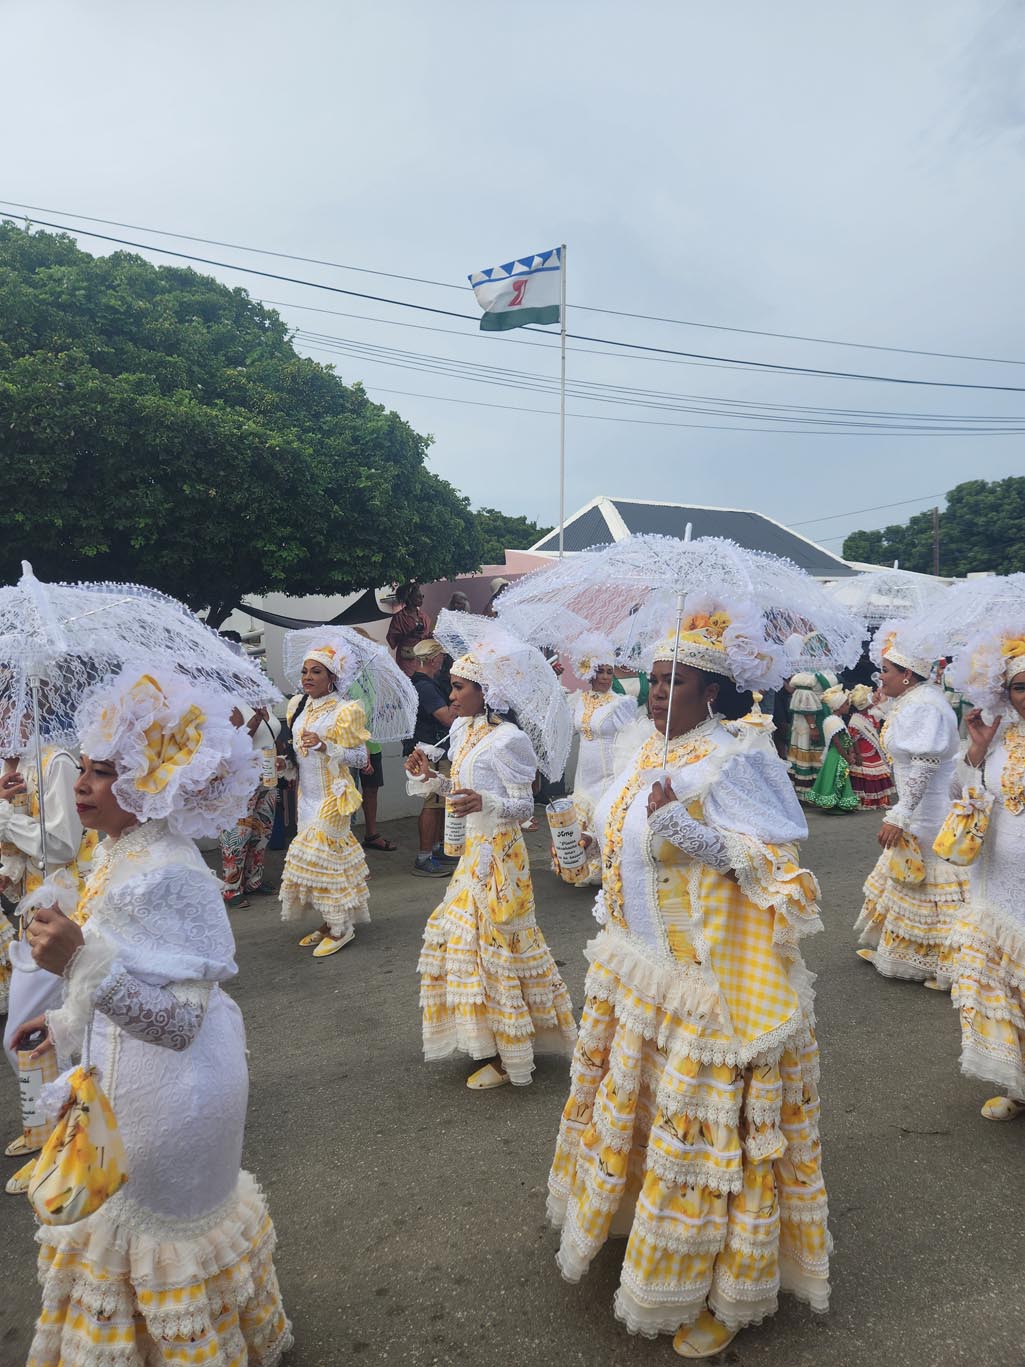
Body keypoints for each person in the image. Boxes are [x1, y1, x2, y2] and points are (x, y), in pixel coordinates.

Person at [547, 607, 829, 1358]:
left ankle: (724, 1290)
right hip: (636, 967)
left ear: (712, 691)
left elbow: (777, 862)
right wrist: (588, 846)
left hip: (707, 984)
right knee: (641, 1117)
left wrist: (685, 829)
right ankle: (641, 1228)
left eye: (679, 680)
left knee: (709, 1141)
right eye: (657, 677)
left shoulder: (732, 756)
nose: (661, 690)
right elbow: (619, 841)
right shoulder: (643, 748)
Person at [10, 671, 292, 1365]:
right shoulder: (115, 851)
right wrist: (65, 1024)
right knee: (119, 1233)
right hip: (122, 1077)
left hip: (174, 1094)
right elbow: (126, 971)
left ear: (153, 782)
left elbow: (179, 1024)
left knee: (155, 1241)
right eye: (86, 768)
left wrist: (77, 963)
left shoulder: (174, 872)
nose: (82, 785)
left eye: (105, 772)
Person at [405, 612, 576, 1089]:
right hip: (471, 854)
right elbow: (457, 792)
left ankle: (510, 1052)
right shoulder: (462, 733)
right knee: (460, 938)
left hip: (502, 856)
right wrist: (430, 777)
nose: (451, 694)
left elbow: (524, 805)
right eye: (452, 685)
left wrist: (490, 801)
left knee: (498, 948)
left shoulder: (509, 739)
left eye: (459, 687)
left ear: (485, 693)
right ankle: (490, 1037)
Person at [0, 740, 96, 1189]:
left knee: (24, 1033)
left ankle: (63, 1143)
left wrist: (6, 818)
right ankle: (55, 1132)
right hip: (34, 910)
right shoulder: (17, 764)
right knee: (49, 1034)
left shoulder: (55, 760)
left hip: (62, 909)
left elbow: (59, 844)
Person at [938, 629, 1025, 1120]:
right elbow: (961, 792)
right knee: (999, 983)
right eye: (1020, 687)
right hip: (994, 884)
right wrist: (976, 750)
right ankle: (1017, 1084)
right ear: (1005, 691)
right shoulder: (998, 735)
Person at [853, 622, 967, 987]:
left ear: (907, 675)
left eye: (885, 670)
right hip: (921, 808)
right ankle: (915, 954)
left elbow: (924, 764)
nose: (880, 677)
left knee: (930, 880)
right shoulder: (915, 701)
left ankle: (946, 963)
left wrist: (899, 815)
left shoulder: (926, 706)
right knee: (911, 875)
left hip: (929, 810)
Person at [279, 640, 371, 957]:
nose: (307, 676)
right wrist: (284, 765)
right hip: (306, 797)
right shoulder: (297, 707)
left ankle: (341, 928)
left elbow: (360, 759)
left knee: (318, 856)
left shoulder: (347, 710)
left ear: (332, 677)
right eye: (305, 671)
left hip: (334, 796)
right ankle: (330, 921)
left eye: (316, 671)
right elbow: (297, 756)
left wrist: (324, 746)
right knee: (322, 863)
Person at [562, 634, 638, 884]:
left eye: (609, 671)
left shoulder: (621, 704)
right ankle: (577, 863)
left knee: (603, 815)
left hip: (608, 770)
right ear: (590, 673)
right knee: (581, 809)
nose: (606, 677)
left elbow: (631, 738)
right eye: (601, 671)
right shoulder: (578, 700)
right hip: (585, 770)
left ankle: (605, 866)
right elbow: (568, 728)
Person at [219, 704, 283, 908]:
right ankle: (231, 888)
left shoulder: (264, 700)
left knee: (262, 831)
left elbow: (270, 737)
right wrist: (254, 722)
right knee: (238, 833)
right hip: (241, 777)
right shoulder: (231, 704)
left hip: (267, 773)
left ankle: (253, 881)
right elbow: (232, 744)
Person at [406, 638, 457, 877]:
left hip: (430, 748)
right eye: (442, 658)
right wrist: (463, 702)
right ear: (435, 659)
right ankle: (424, 856)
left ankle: (436, 848)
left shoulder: (421, 683)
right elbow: (446, 718)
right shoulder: (425, 687)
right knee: (432, 803)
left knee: (438, 803)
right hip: (431, 751)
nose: (443, 662)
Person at [803, 685, 859, 812]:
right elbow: (837, 743)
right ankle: (834, 805)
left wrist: (851, 753)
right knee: (835, 779)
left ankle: (840, 803)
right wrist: (847, 757)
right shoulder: (832, 721)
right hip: (836, 756)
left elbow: (846, 739)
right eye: (845, 704)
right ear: (838, 706)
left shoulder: (838, 719)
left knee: (840, 779)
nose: (848, 706)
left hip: (840, 755)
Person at [784, 666, 837, 795]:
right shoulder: (805, 677)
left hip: (824, 716)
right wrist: (813, 727)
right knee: (809, 751)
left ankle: (821, 788)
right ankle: (808, 792)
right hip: (809, 722)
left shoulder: (825, 669)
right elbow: (805, 704)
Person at [847, 683, 895, 809]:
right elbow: (854, 740)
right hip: (863, 754)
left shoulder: (871, 715)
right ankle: (867, 801)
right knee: (867, 777)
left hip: (874, 752)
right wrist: (857, 754)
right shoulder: (855, 720)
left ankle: (880, 800)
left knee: (878, 775)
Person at [386, 582, 431, 656]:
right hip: (407, 657)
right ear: (408, 598)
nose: (421, 599)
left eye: (422, 596)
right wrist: (409, 635)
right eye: (418, 596)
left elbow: (426, 635)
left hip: (423, 656)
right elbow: (392, 639)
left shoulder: (424, 616)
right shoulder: (399, 617)